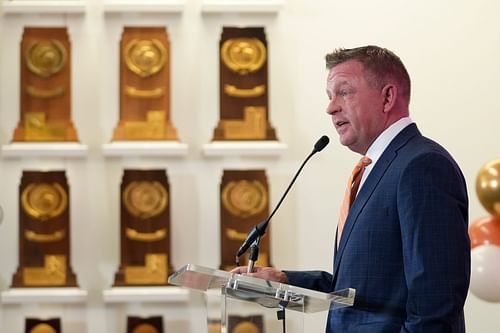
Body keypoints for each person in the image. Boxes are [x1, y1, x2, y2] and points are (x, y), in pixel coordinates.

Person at [232, 45, 470, 332]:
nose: (330, 107)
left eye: (343, 92)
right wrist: (283, 280)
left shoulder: (422, 166)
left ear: (387, 97)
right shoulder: (374, 169)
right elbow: (361, 290)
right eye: (329, 96)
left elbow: (436, 301)